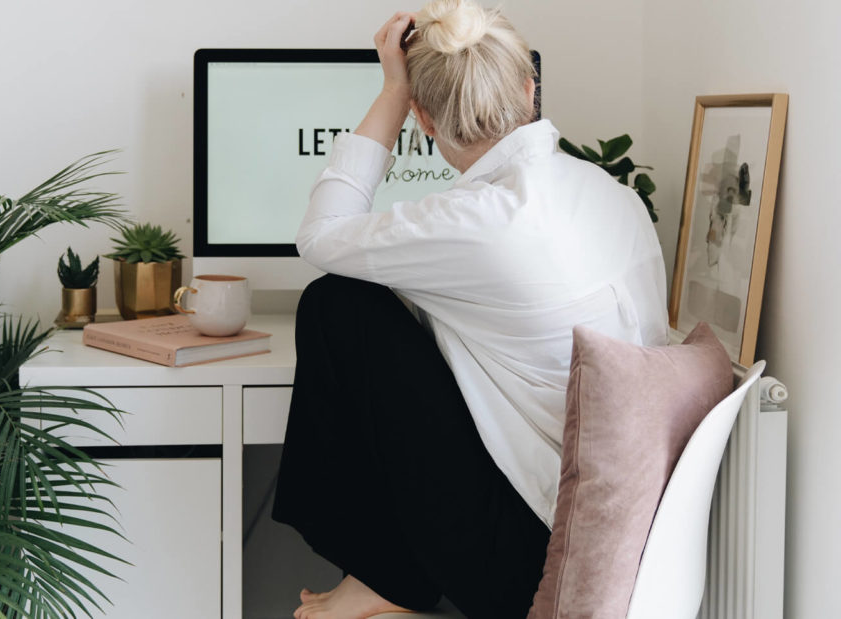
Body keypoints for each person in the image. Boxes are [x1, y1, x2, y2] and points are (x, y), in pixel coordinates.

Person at [271, 1, 669, 618]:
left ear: (425, 121)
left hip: (531, 564)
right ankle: (383, 578)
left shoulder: (479, 220)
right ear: (530, 89)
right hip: (627, 539)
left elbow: (321, 237)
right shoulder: (614, 197)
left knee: (337, 302)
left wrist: (392, 91)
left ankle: (384, 581)